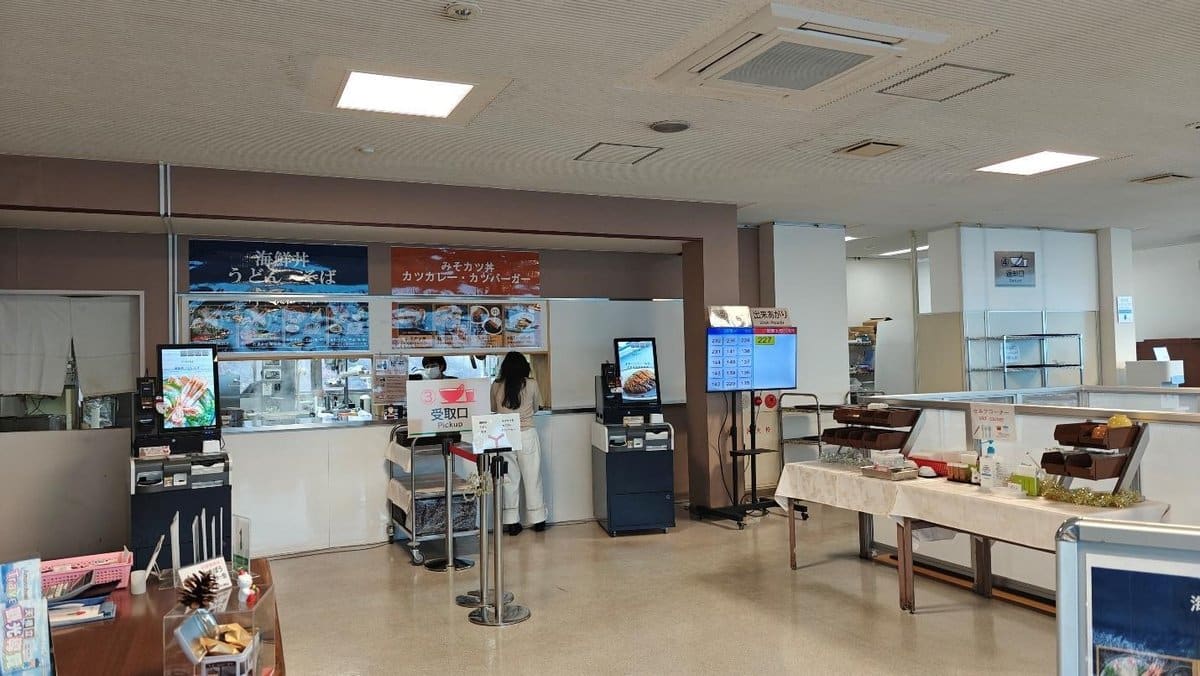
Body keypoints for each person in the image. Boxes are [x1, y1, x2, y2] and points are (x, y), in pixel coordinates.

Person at [490, 352, 547, 535]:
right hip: (527, 434)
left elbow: (493, 409)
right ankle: (538, 520)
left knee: (509, 479)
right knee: (533, 478)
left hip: (504, 435)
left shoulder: (496, 385)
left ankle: (511, 522)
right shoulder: (531, 384)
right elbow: (537, 407)